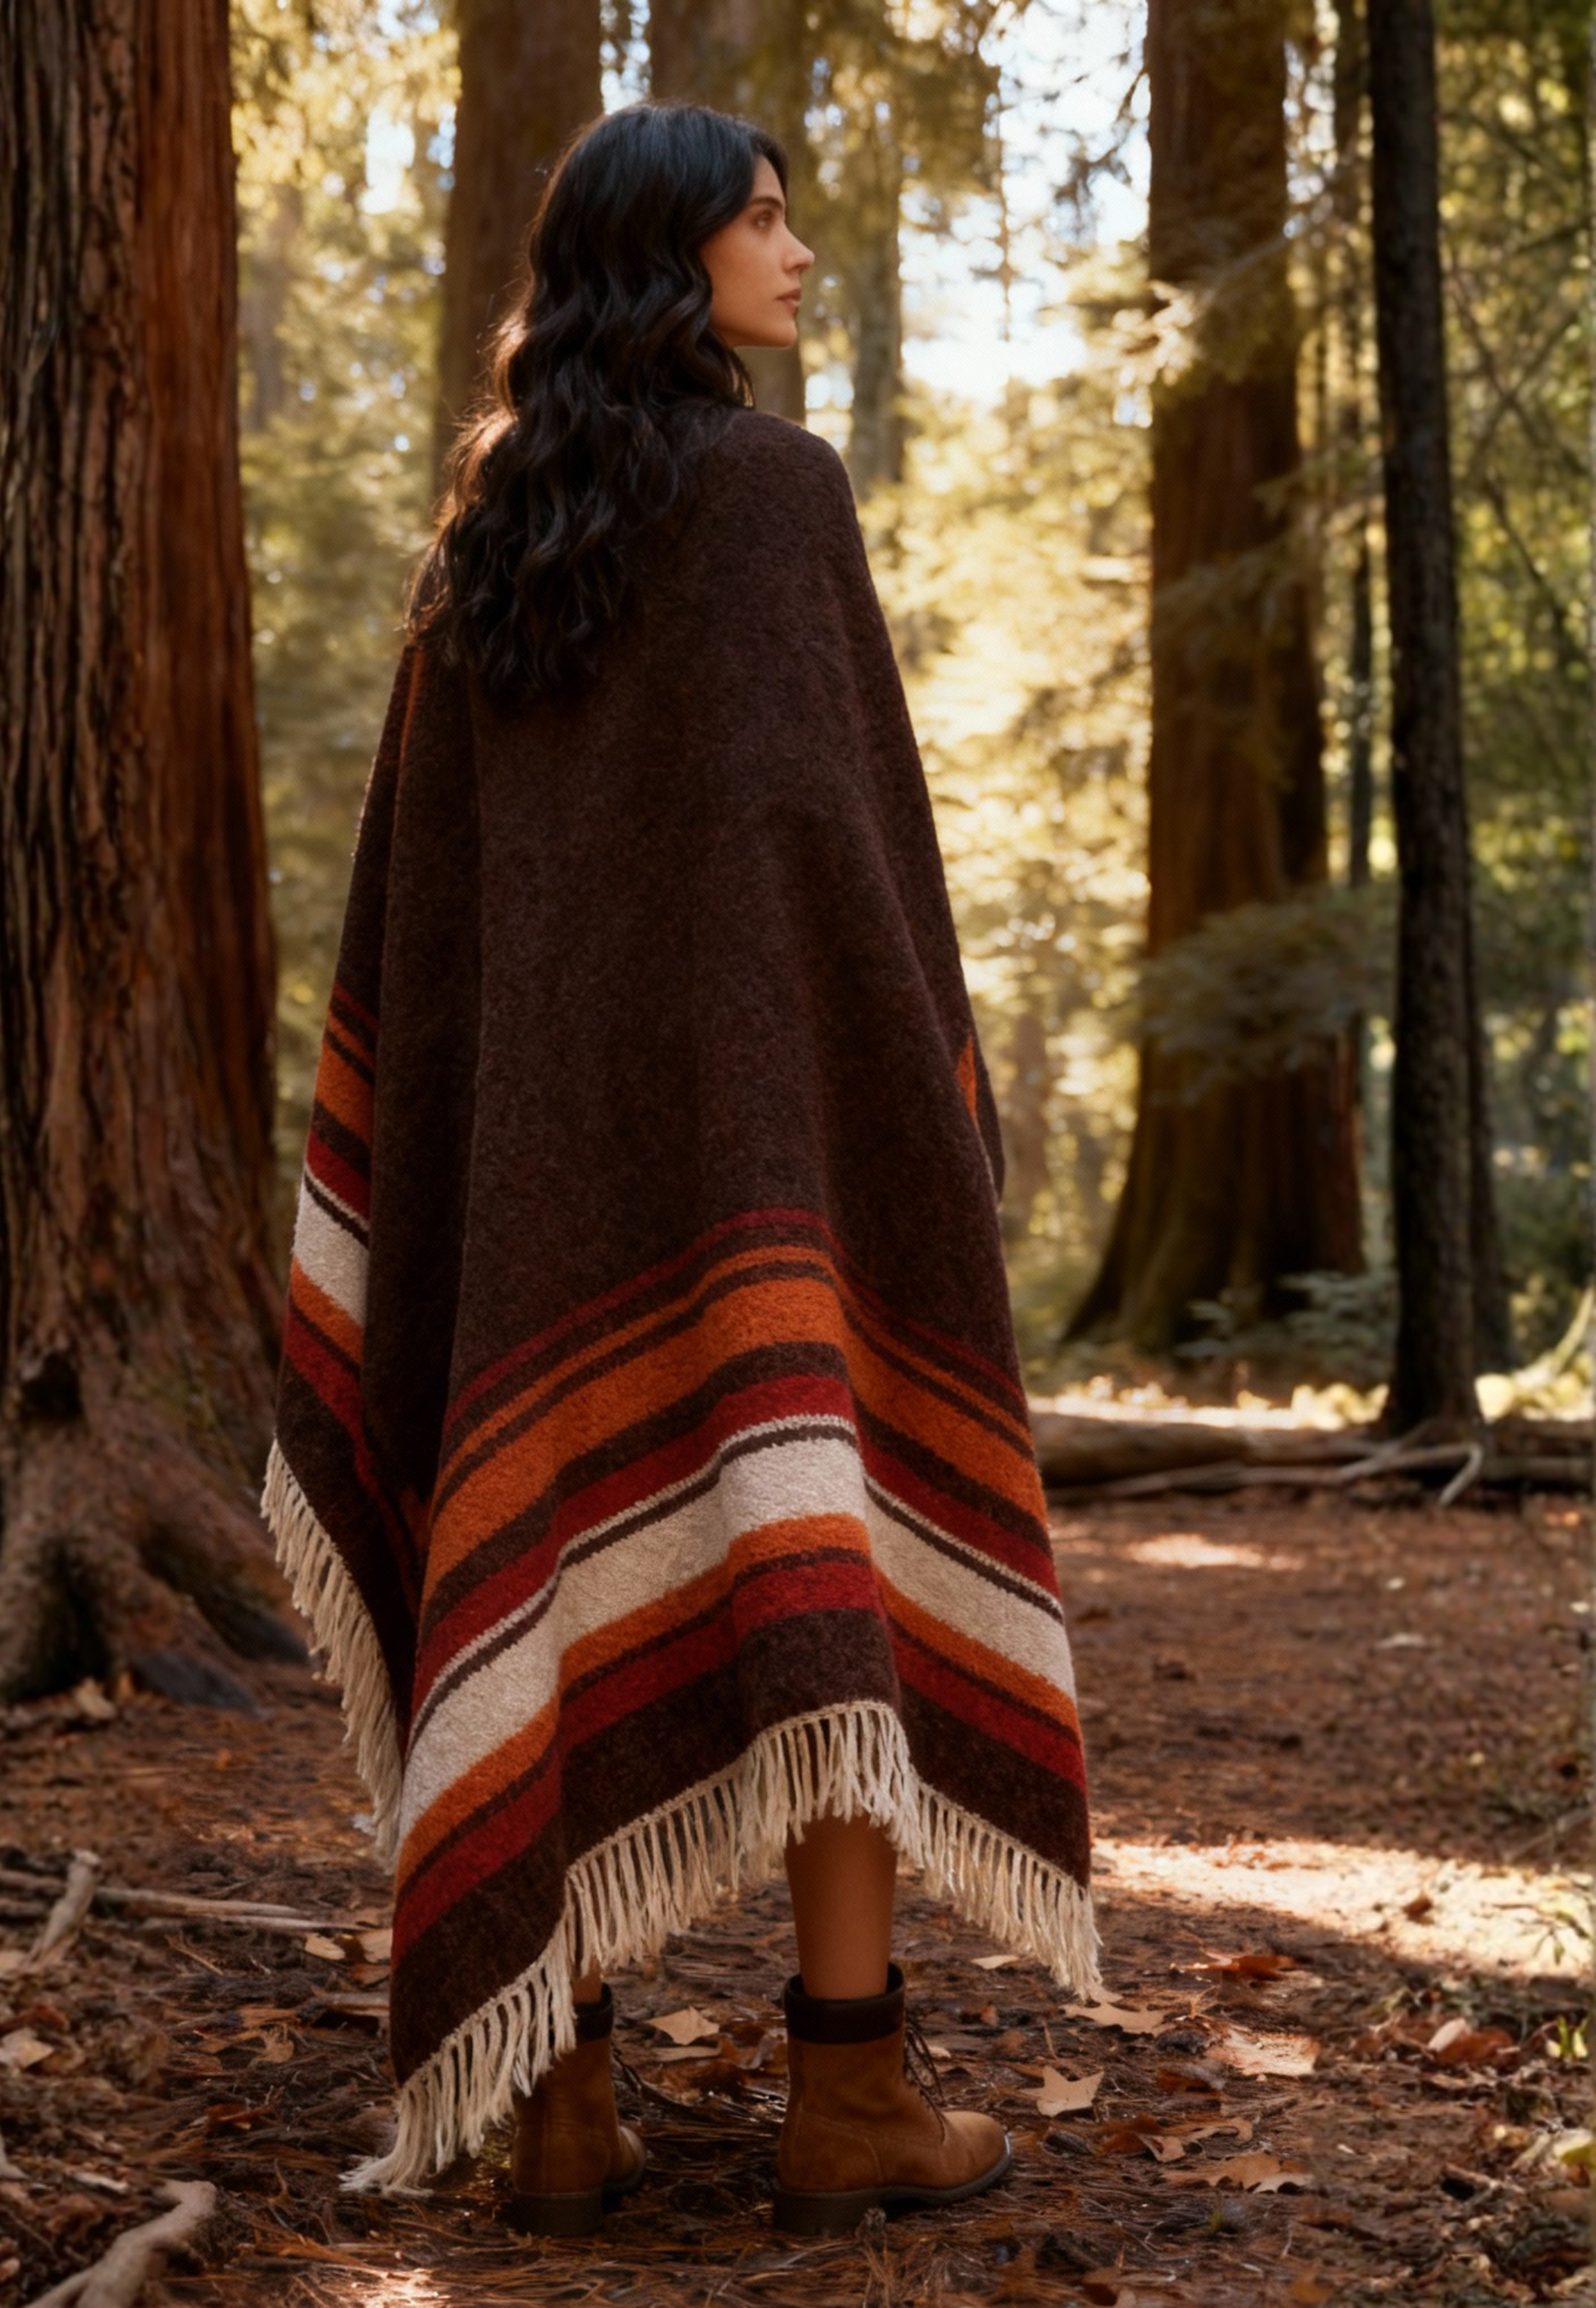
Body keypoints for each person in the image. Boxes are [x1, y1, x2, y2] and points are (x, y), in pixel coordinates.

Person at [263, 99, 1097, 2242]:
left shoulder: (483, 551)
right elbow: (848, 858)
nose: (797, 248)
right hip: (764, 1175)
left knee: (553, 1590)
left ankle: (558, 2098)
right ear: (667, 255)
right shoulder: (776, 497)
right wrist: (917, 1089)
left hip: (544, 1202)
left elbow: (427, 952)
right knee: (821, 1602)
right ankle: (852, 2096)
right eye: (759, 217)